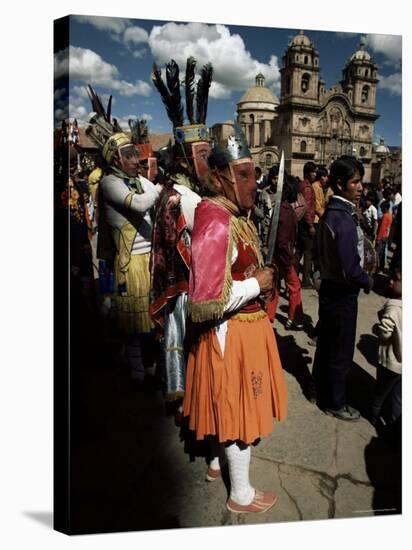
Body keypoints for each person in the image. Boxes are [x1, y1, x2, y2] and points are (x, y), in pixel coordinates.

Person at [182, 124, 287, 513]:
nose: (253, 183)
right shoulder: (215, 220)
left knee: (218, 401)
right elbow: (208, 299)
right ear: (222, 177)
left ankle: (214, 463)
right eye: (244, 175)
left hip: (241, 328)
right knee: (236, 410)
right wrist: (257, 285)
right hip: (231, 331)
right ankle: (240, 494)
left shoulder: (230, 212)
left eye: (253, 174)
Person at [149, 57, 213, 411]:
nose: (208, 163)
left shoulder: (170, 190)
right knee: (190, 350)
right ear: (189, 161)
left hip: (173, 286)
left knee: (175, 342)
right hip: (188, 289)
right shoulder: (188, 198)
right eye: (202, 157)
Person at [86, 85, 160, 385]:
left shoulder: (132, 178)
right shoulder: (109, 184)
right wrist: (156, 186)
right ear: (115, 160)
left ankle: (142, 365)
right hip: (130, 263)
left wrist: (149, 182)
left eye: (134, 153)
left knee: (146, 319)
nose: (135, 159)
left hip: (147, 260)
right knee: (132, 323)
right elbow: (143, 202)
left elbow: (148, 188)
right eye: (128, 155)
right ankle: (137, 373)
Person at [312, 155, 373, 421]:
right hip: (342, 294)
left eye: (361, 182)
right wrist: (368, 281)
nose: (360, 187)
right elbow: (351, 269)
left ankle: (317, 390)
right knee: (341, 351)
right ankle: (336, 402)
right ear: (340, 184)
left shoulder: (332, 214)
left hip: (328, 289)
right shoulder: (344, 219)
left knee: (326, 344)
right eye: (355, 182)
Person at [267, 173, 304, 330]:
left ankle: (269, 317)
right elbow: (283, 241)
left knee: (274, 287)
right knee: (295, 286)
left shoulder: (280, 207)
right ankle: (293, 318)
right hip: (283, 256)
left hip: (276, 255)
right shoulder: (287, 211)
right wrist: (290, 258)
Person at [370, 267, 402, 428]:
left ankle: (374, 416)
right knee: (398, 397)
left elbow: (385, 332)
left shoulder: (393, 307)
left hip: (389, 362)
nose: (390, 281)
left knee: (380, 393)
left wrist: (376, 329)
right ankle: (393, 424)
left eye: (396, 279)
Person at [297, 161, 317, 287]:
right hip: (305, 224)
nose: (315, 174)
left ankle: (290, 273)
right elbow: (307, 208)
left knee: (299, 251)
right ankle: (305, 280)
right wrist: (310, 225)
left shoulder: (301, 185)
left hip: (300, 223)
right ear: (308, 173)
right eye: (313, 172)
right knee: (308, 253)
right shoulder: (308, 188)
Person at [375, 200, 392, 272]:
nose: (381, 210)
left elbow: (382, 228)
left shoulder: (385, 216)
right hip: (386, 237)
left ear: (385, 208)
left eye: (382, 208)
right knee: (382, 253)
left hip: (381, 237)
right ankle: (381, 268)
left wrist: (378, 239)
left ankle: (376, 268)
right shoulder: (390, 215)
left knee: (377, 253)